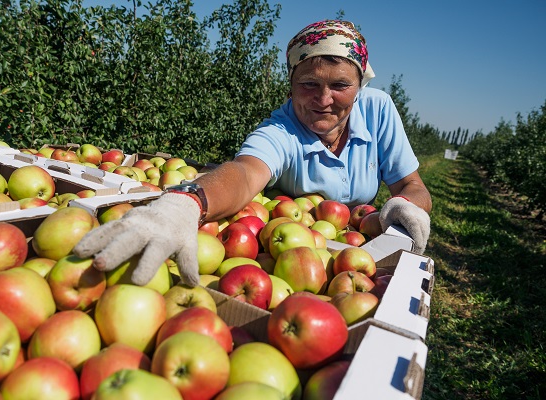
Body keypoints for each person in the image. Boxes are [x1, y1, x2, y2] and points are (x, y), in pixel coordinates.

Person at [74, 20, 432, 287]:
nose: (324, 100)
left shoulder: (378, 110)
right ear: (290, 85)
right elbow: (245, 172)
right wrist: (189, 202)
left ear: (359, 86)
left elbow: (410, 183)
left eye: (340, 85)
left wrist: (406, 206)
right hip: (282, 258)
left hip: (359, 254)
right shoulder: (281, 130)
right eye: (308, 85)